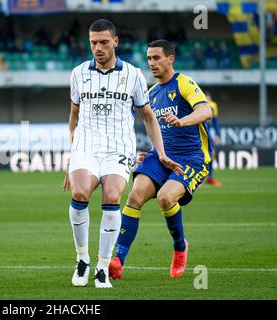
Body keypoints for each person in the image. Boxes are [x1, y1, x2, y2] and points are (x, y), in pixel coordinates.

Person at [62, 20, 182, 289]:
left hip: (118, 147)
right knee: (79, 193)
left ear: (115, 41)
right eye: (93, 42)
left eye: (104, 42)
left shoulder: (134, 74)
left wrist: (160, 152)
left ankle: (102, 266)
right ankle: (82, 260)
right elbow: (73, 116)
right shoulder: (78, 73)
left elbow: (148, 117)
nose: (98, 48)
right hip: (86, 146)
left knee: (112, 196)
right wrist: (71, 155)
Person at [109, 39, 213, 280]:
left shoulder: (185, 83)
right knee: (135, 196)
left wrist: (182, 121)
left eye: (156, 58)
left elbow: (205, 111)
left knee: (166, 197)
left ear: (170, 58)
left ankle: (179, 247)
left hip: (191, 158)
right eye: (148, 59)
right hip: (161, 156)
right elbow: (150, 126)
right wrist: (151, 150)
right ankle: (118, 260)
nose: (151, 63)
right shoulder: (152, 93)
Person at [205, 92, 222, 186]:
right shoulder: (198, 104)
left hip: (207, 133)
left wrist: (217, 133)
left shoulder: (213, 105)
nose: (207, 99)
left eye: (208, 98)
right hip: (197, 133)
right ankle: (198, 178)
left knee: (211, 154)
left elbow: (215, 120)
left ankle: (210, 177)